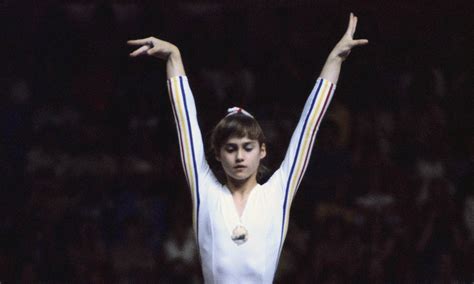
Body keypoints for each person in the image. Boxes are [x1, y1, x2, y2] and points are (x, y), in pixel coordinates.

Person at [127, 12, 368, 283]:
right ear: (218, 154)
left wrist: (334, 60)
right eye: (230, 149)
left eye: (247, 147)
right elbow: (185, 124)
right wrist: (174, 57)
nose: (240, 156)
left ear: (262, 150)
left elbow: (308, 126)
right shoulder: (205, 192)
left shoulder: (278, 192)